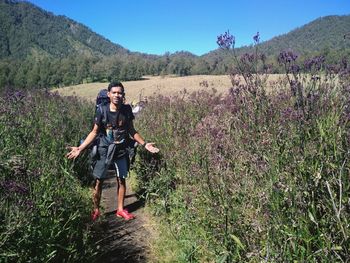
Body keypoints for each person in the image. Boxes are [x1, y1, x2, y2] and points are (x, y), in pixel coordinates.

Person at [67, 81, 159, 221]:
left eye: (120, 93)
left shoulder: (127, 110)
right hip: (104, 149)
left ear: (123, 95)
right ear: (109, 94)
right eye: (114, 92)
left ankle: (120, 209)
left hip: (121, 150)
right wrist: (80, 148)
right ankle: (96, 210)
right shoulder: (102, 110)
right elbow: (94, 132)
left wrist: (144, 144)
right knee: (99, 181)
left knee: (121, 180)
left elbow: (131, 131)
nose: (117, 95)